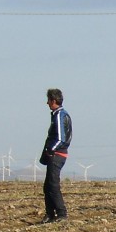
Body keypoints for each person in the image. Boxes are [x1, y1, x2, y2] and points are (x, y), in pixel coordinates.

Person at [40, 88, 72, 223]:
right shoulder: (59, 115)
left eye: (48, 100)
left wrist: (50, 150)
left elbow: (61, 138)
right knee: (48, 185)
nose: (46, 103)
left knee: (53, 185)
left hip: (57, 154)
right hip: (57, 153)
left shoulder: (60, 115)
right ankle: (50, 214)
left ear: (53, 101)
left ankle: (61, 213)